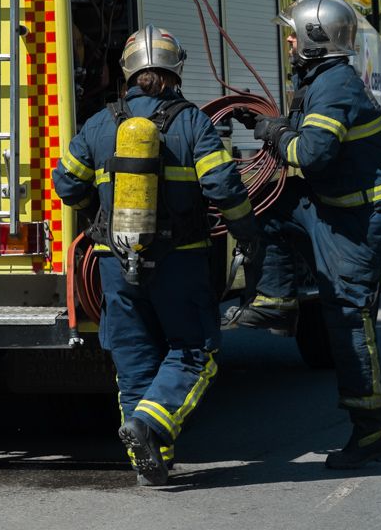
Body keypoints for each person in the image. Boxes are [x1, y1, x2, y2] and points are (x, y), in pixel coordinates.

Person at [52, 25, 261, 487]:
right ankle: (150, 428)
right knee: (194, 351)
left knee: (134, 363)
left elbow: (66, 183)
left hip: (114, 264)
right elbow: (223, 186)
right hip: (180, 262)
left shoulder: (101, 123)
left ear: (129, 71)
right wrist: (249, 231)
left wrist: (97, 208)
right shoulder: (192, 123)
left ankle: (152, 464)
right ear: (174, 69)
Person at [224, 0, 381, 470]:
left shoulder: (333, 86)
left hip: (362, 220)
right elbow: (310, 136)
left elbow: (311, 154)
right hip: (335, 208)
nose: (287, 40)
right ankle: (277, 301)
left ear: (313, 38)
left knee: (346, 316)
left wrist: (273, 135)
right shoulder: (322, 81)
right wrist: (272, 123)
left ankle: (371, 433)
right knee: (267, 202)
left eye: (293, 33)